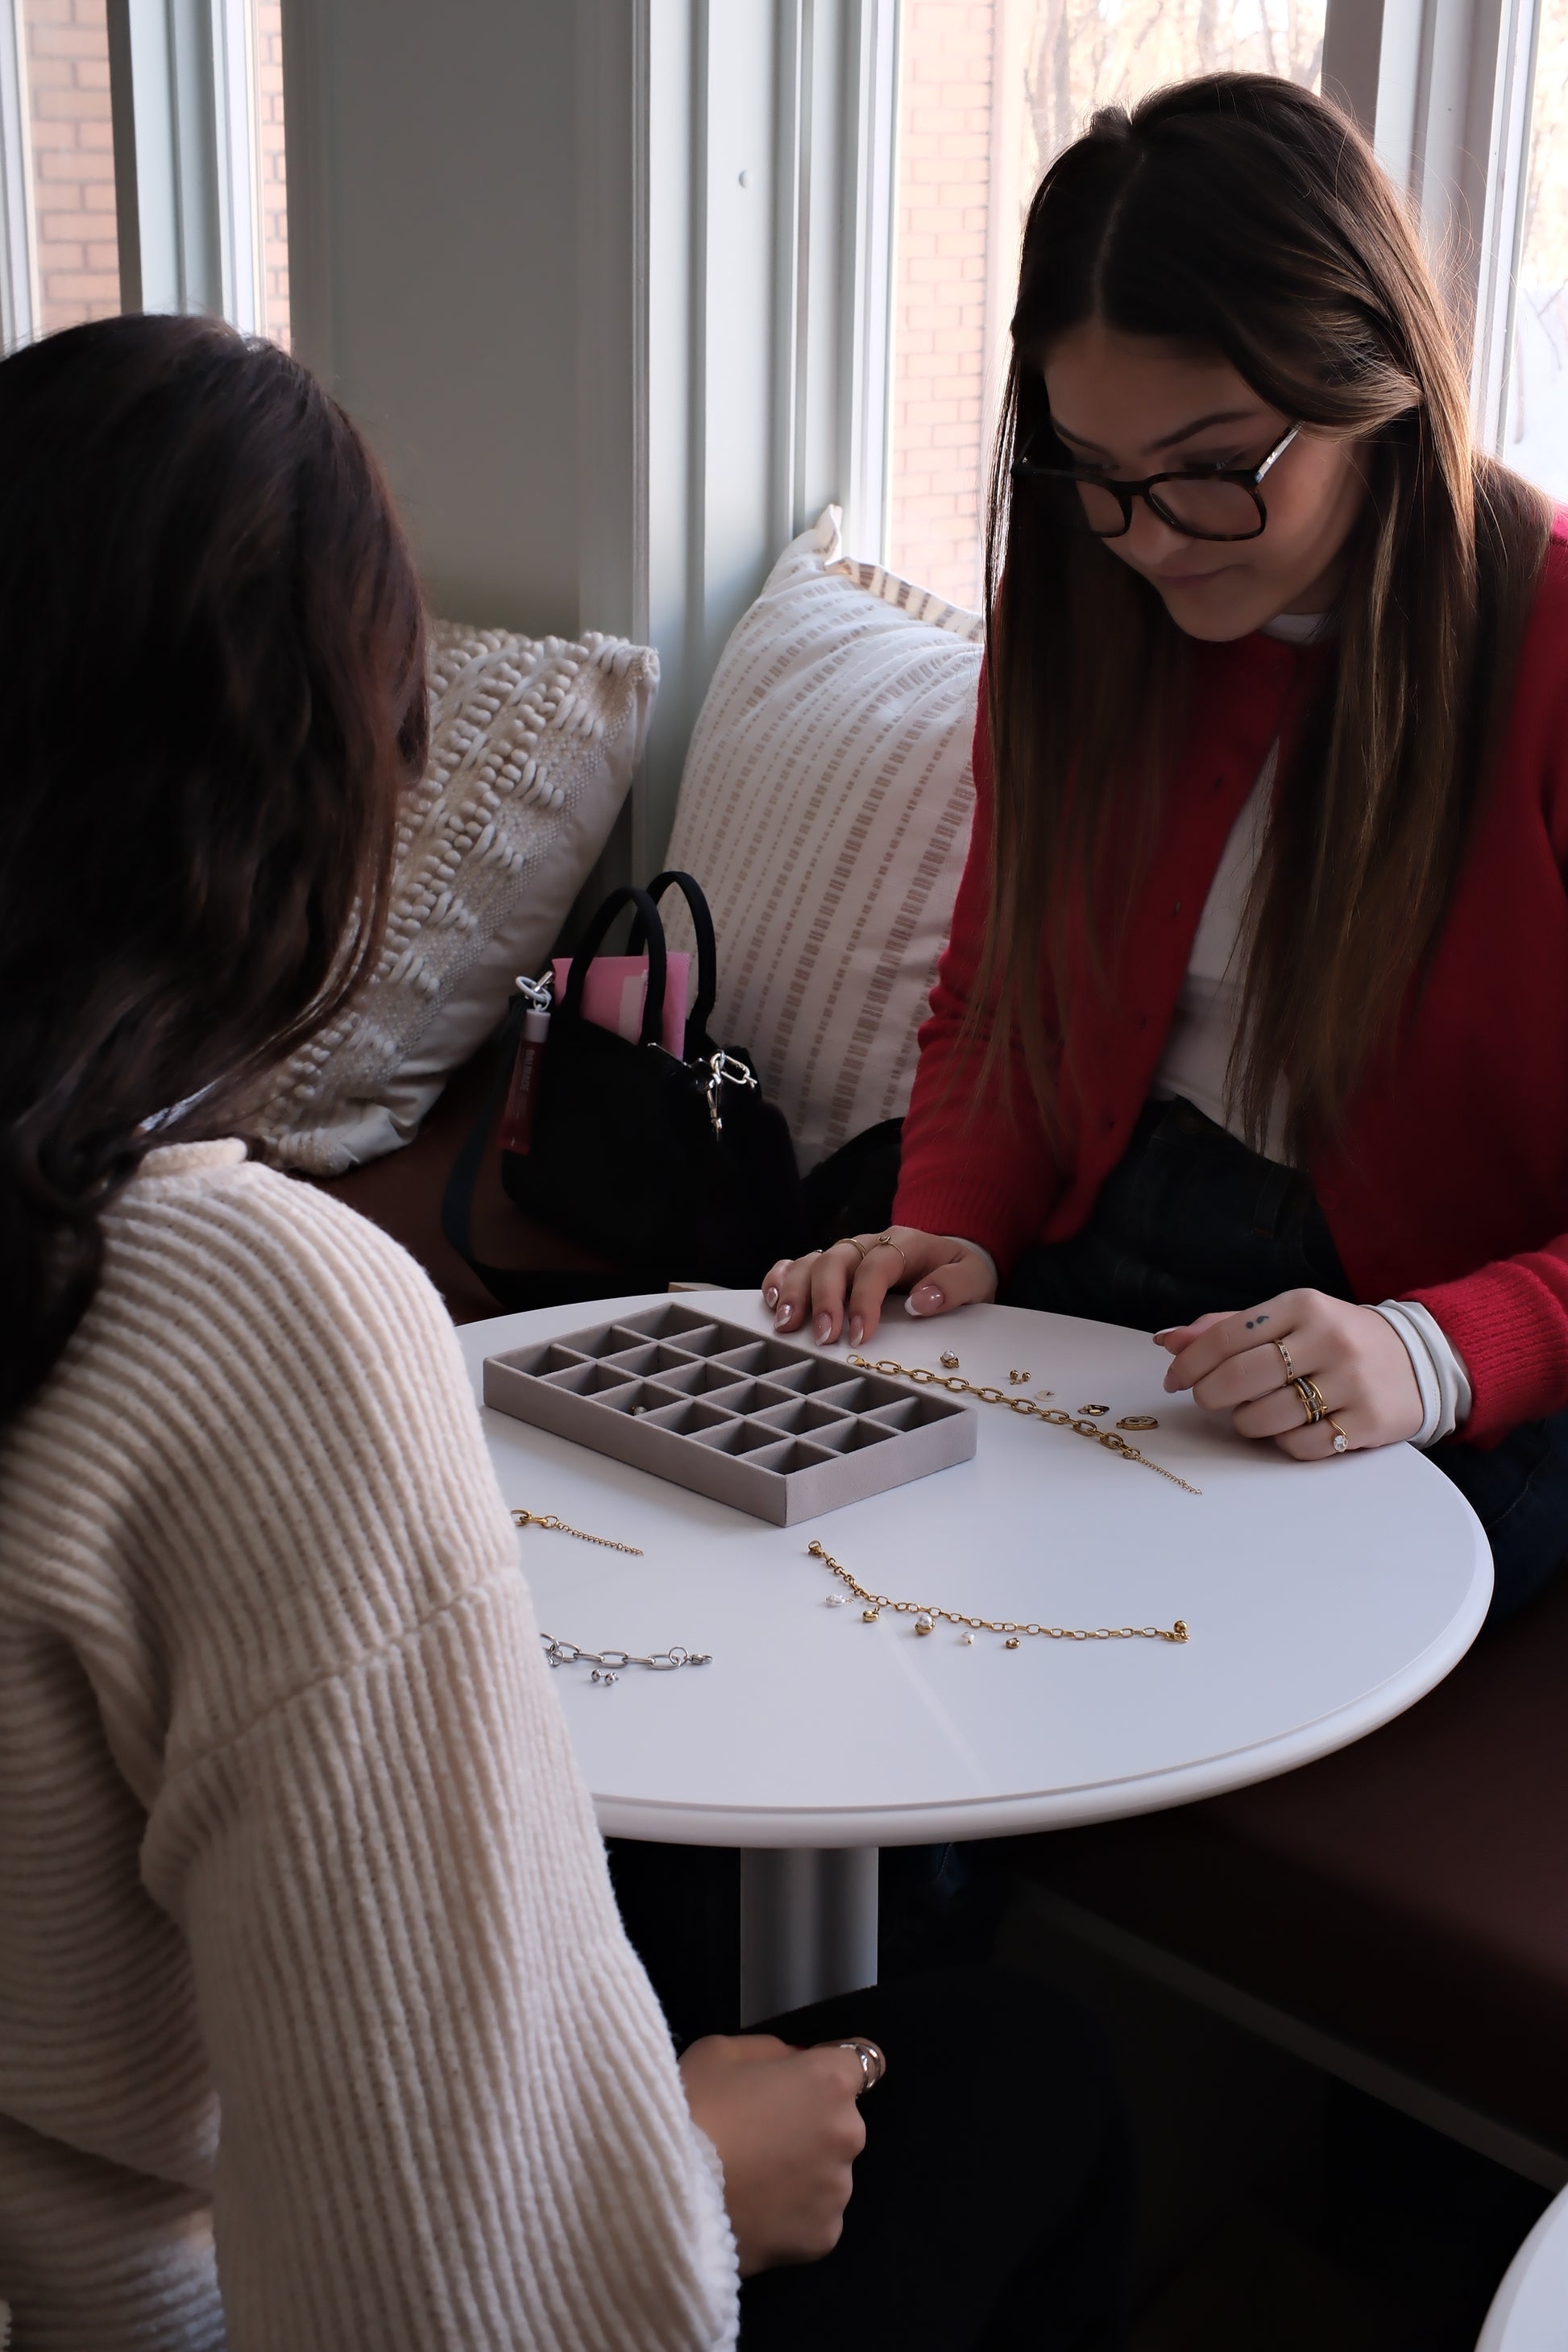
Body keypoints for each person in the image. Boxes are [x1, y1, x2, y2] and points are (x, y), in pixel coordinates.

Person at [0, 315, 1129, 2351]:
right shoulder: (248, 1320)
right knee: (1026, 2078)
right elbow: (432, 2301)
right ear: (315, 800)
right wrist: (692, 2177)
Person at [766, 73, 1568, 1623]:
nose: (1146, 538)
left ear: (1371, 380)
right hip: (1098, 1239)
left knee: (1172, 1649)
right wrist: (953, 1220)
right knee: (825, 1591)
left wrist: (1435, 1351)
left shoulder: (1544, 645)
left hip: (1435, 1332)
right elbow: (1000, 1006)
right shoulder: (1079, 614)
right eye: (1095, 474)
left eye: (1212, 467)